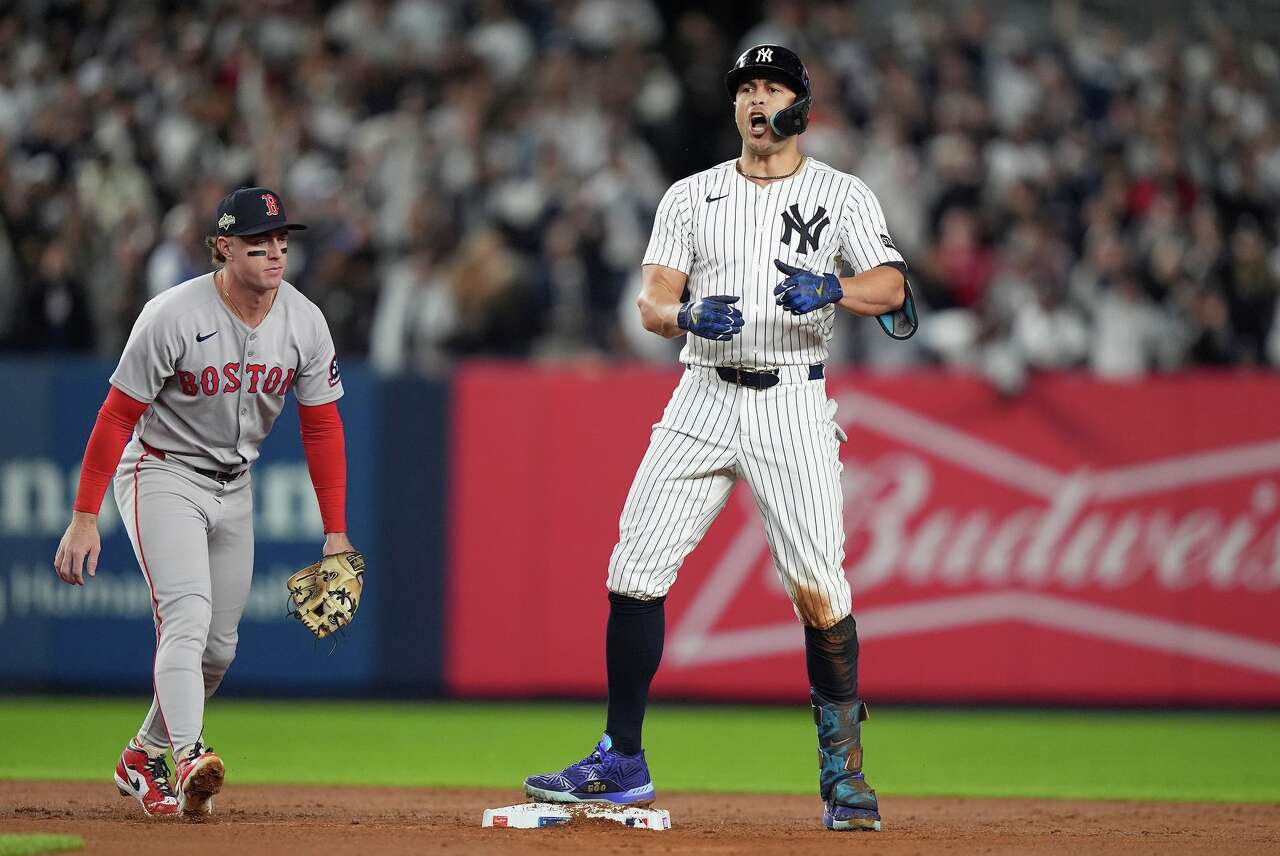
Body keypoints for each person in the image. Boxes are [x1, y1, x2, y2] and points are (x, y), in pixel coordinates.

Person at [523, 45, 916, 832]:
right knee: (634, 565)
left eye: (772, 88)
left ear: (801, 105)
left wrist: (835, 287)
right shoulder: (691, 195)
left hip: (792, 404)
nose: (757, 101)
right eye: (746, 89)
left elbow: (896, 288)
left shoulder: (840, 194)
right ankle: (622, 759)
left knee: (821, 590)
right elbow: (652, 300)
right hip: (702, 392)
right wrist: (683, 314)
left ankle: (844, 777)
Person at [53, 188, 356, 818]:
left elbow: (323, 427)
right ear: (223, 247)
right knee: (186, 619)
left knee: (219, 647)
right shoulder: (171, 314)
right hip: (161, 473)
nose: (275, 252)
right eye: (258, 242)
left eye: (281, 240)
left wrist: (336, 533)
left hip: (235, 486)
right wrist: (85, 516)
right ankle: (190, 755)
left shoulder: (304, 321)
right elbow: (115, 419)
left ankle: (143, 754)